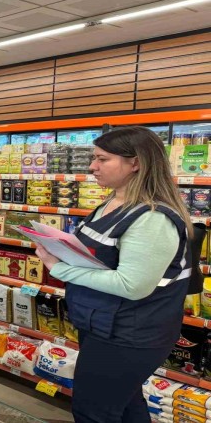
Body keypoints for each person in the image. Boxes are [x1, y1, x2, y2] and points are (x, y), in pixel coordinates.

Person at [34, 126, 192, 423]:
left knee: (92, 411)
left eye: (102, 159)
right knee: (126, 404)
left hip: (130, 333)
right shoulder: (111, 203)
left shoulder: (152, 218)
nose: (92, 167)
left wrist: (60, 268)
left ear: (136, 163)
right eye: (94, 158)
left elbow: (132, 285)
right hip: (102, 323)